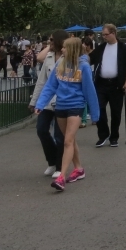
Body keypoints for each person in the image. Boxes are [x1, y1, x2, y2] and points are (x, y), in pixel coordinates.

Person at [33, 37, 100, 192]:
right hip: (60, 106)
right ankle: (78, 169)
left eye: (65, 47)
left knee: (67, 141)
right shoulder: (60, 64)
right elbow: (50, 86)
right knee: (70, 139)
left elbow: (90, 92)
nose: (62, 49)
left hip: (75, 107)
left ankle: (61, 177)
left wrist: (95, 115)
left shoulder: (83, 67)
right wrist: (40, 104)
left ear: (73, 49)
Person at [30, 31, 66, 176]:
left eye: (52, 39)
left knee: (59, 135)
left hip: (62, 101)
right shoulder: (49, 57)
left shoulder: (68, 57)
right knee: (41, 130)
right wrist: (34, 101)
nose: (49, 41)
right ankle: (51, 160)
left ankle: (59, 166)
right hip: (46, 101)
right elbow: (42, 81)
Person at [91, 24, 126, 148]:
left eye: (106, 34)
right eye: (102, 35)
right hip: (101, 84)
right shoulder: (101, 48)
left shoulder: (123, 48)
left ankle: (114, 137)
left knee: (116, 112)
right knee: (99, 109)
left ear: (113, 33)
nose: (104, 37)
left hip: (116, 85)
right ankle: (103, 135)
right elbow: (90, 59)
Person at [79, 37, 94, 127]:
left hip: (91, 74)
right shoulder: (80, 55)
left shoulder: (89, 54)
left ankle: (92, 115)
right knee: (84, 97)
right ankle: (84, 118)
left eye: (86, 45)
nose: (85, 46)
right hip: (82, 75)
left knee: (90, 95)